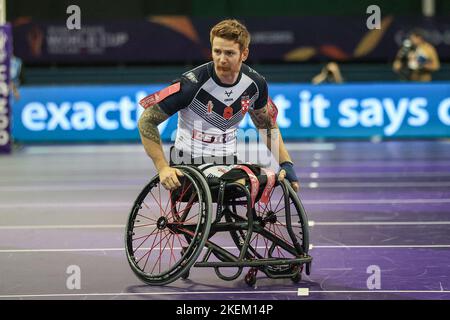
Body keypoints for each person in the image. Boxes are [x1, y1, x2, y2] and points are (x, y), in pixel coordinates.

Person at [137, 19, 299, 193]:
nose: (222, 59)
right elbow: (146, 121)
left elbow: (266, 126)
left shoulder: (255, 84)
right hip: (189, 165)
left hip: (228, 163)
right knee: (244, 183)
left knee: (268, 180)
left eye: (229, 53)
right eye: (217, 51)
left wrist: (286, 164)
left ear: (244, 54)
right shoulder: (192, 84)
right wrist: (162, 167)